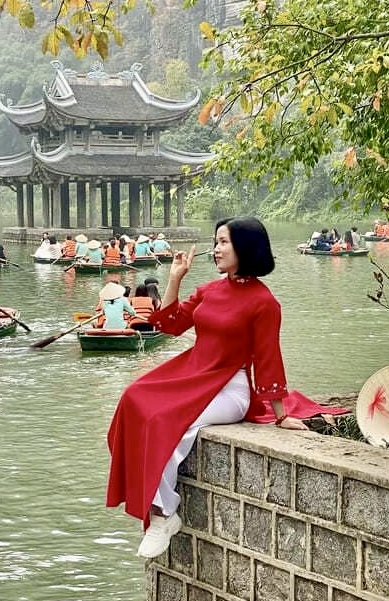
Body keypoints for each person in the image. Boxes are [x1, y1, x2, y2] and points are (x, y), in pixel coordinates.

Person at [106, 217, 348, 559]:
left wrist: (280, 416)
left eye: (223, 242)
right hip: (193, 374)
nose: (215, 249)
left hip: (230, 388)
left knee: (167, 420)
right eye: (215, 241)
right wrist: (174, 279)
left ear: (245, 248)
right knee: (134, 398)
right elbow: (172, 326)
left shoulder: (264, 303)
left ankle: (162, 514)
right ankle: (152, 503)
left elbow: (268, 360)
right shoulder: (210, 290)